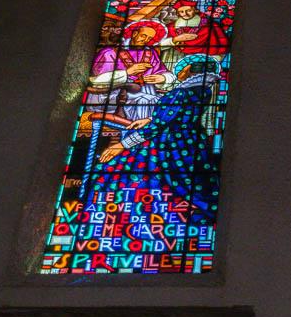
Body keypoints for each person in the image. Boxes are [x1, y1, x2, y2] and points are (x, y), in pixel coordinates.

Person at [95, 57, 222, 228]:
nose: (179, 71)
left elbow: (158, 127)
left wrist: (122, 145)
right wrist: (150, 118)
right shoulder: (202, 90)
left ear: (190, 68)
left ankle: (143, 219)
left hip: (170, 144)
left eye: (183, 68)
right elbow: (179, 115)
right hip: (192, 139)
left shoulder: (181, 92)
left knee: (150, 177)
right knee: (195, 180)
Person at [87, 20, 174, 124]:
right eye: (143, 36)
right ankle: (140, 133)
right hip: (111, 95)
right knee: (145, 101)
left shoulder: (150, 53)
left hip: (144, 93)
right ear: (135, 33)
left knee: (162, 101)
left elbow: (165, 72)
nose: (145, 40)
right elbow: (97, 81)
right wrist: (127, 73)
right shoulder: (110, 52)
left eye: (149, 38)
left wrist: (163, 78)